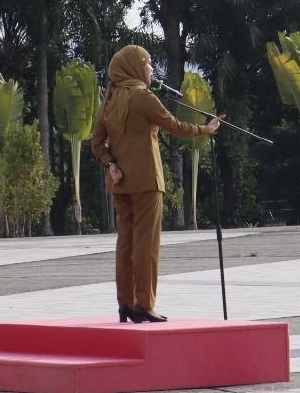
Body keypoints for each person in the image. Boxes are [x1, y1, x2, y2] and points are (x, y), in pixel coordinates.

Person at [90, 45, 221, 323]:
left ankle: (125, 303)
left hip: (120, 182)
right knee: (146, 244)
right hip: (147, 181)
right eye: (147, 64)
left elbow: (97, 142)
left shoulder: (110, 100)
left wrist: (110, 164)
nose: (151, 69)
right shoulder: (143, 97)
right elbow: (176, 126)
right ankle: (145, 304)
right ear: (135, 68)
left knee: (126, 242)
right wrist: (206, 130)